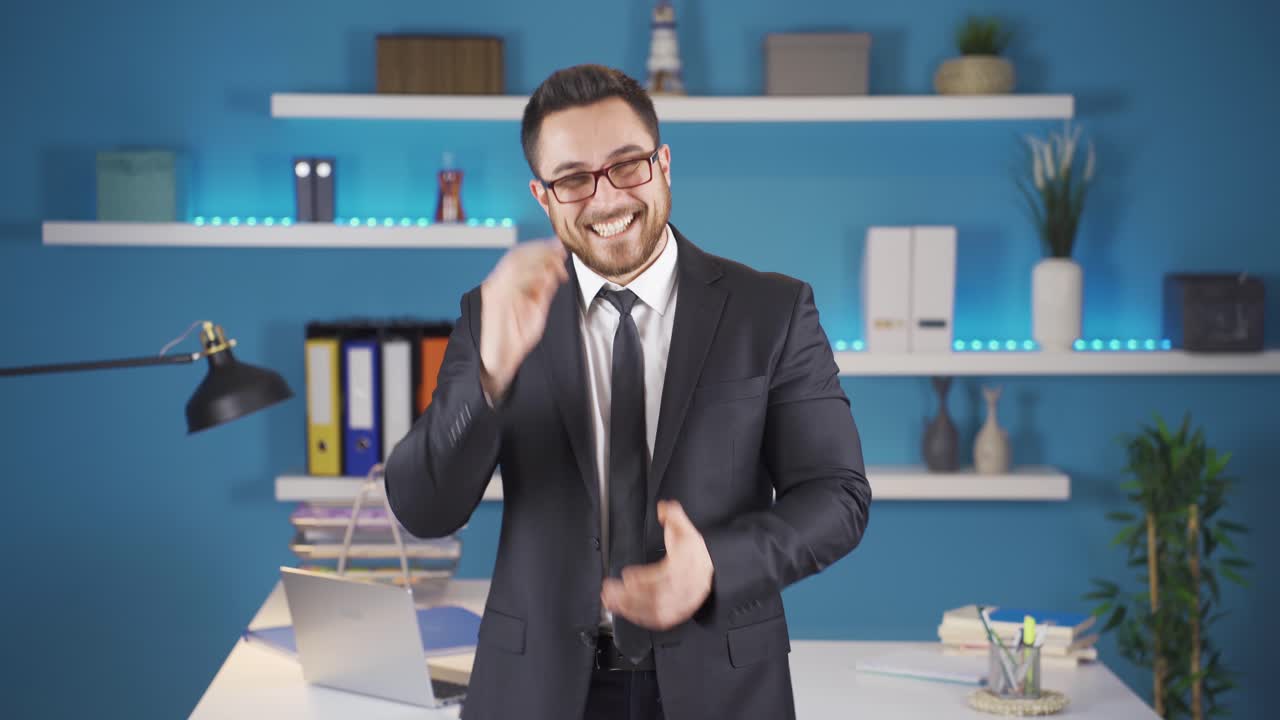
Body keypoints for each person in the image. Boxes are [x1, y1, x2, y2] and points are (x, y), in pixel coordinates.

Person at [385, 63, 871, 720]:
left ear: (663, 162)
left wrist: (715, 566)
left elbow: (838, 497)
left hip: (723, 688)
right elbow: (423, 509)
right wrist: (490, 376)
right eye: (574, 179)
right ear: (544, 195)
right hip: (537, 691)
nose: (607, 198)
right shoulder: (496, 312)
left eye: (627, 165)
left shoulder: (772, 309)